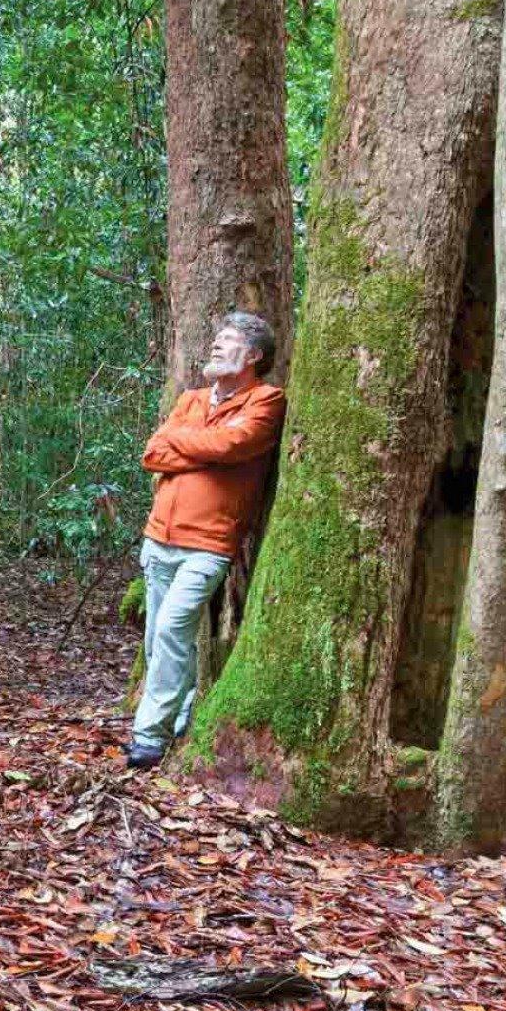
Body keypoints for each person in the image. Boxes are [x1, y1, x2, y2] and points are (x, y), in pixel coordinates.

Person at [128, 312, 286, 768]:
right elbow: (153, 453)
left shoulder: (266, 400)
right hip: (159, 538)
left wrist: (188, 445)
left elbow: (233, 448)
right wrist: (204, 446)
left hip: (210, 544)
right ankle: (179, 719)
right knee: (158, 642)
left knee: (172, 628)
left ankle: (148, 736)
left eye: (228, 341)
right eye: (216, 339)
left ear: (254, 355)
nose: (216, 346)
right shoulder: (191, 399)